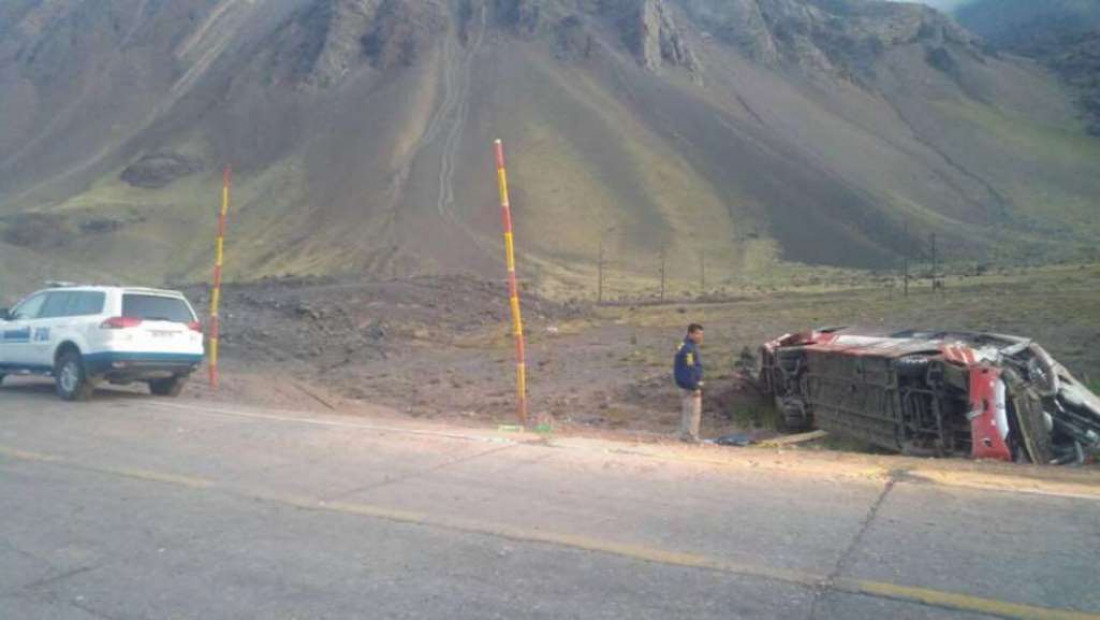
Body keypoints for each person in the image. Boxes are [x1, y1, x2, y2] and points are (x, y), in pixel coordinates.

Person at [673, 323, 704, 442]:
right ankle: (691, 436)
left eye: (701, 334)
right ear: (690, 334)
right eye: (697, 334)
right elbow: (689, 367)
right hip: (689, 385)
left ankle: (685, 434)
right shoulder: (689, 349)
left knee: (687, 411)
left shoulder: (683, 345)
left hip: (683, 383)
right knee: (693, 411)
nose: (700, 336)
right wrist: (694, 385)